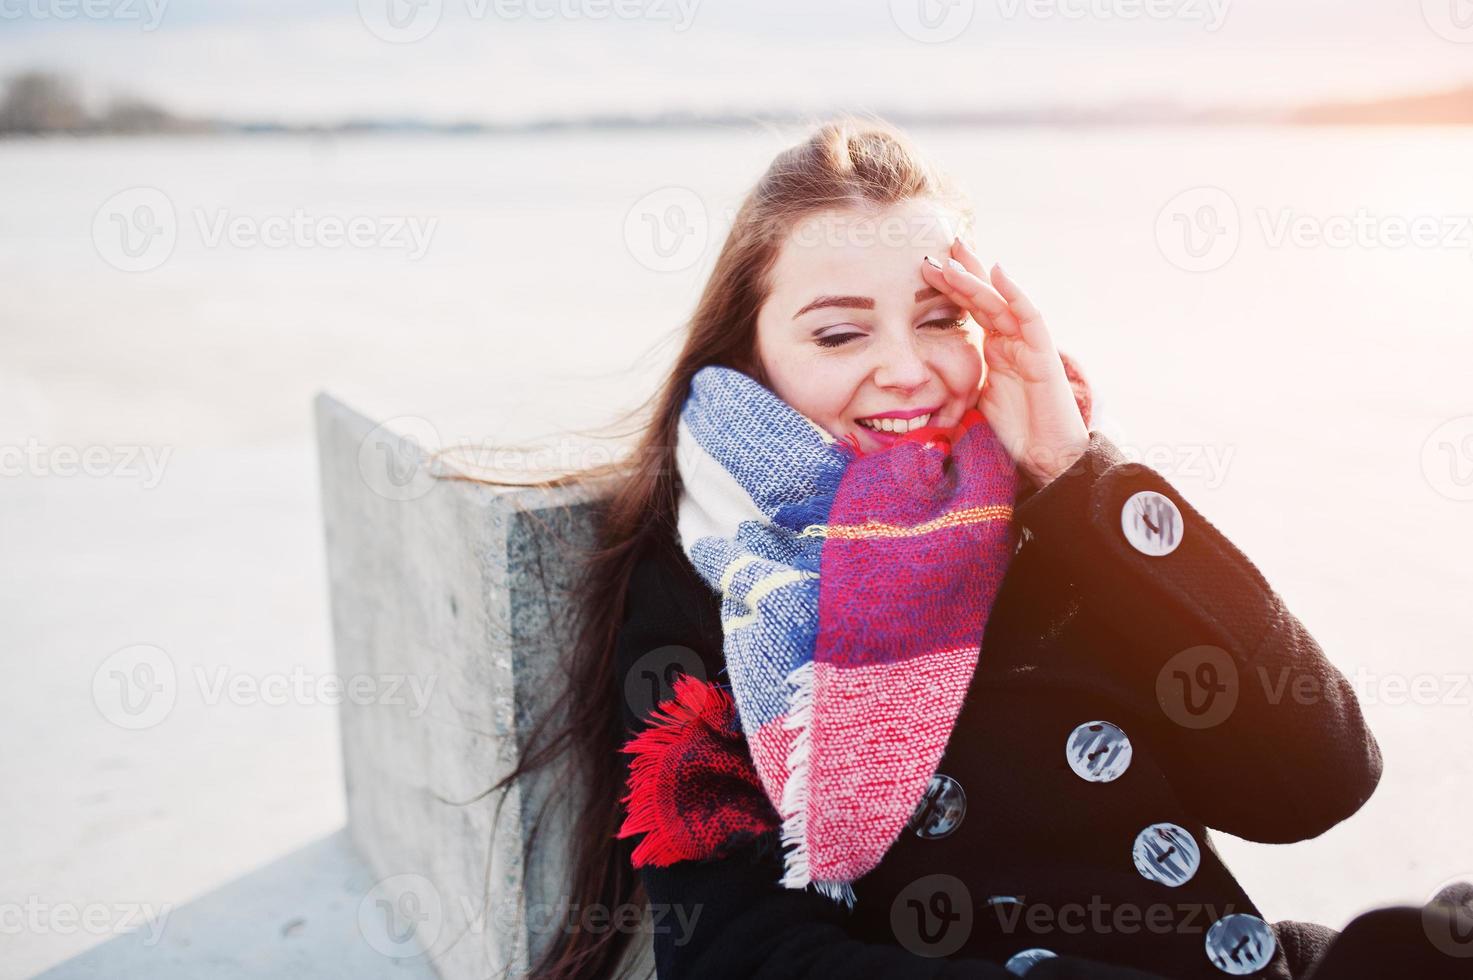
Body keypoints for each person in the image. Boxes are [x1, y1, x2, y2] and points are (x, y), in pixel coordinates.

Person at [480, 115, 1473, 980]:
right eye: (838, 334)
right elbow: (739, 953)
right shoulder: (715, 580)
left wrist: (1087, 474)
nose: (906, 370)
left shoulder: (1059, 515)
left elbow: (1317, 779)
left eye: (940, 317)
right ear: (749, 353)